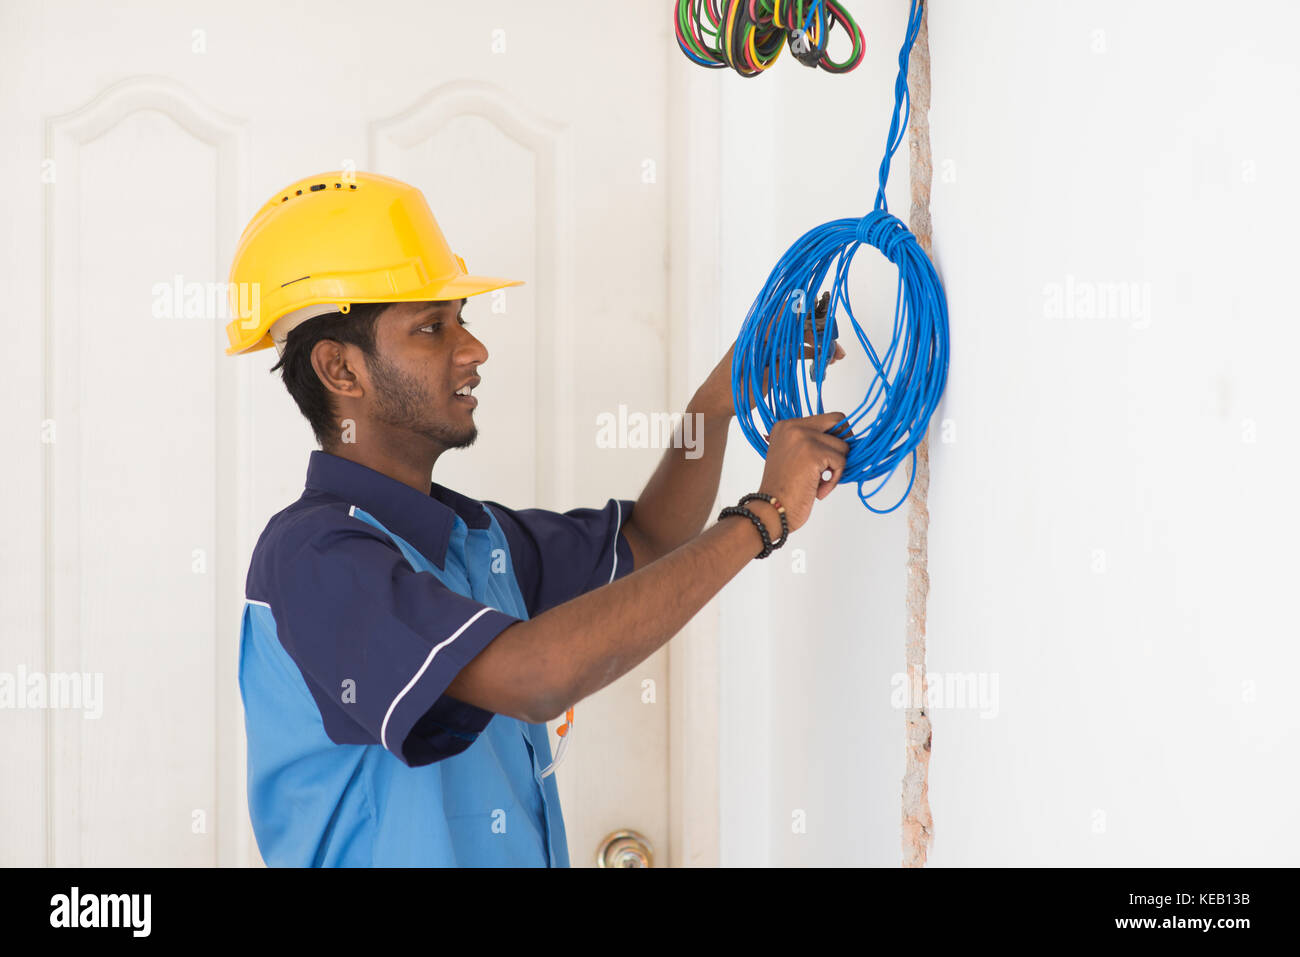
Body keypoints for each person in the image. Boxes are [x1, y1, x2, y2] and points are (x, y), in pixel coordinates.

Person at [225, 170, 849, 866]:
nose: (473, 349)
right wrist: (765, 516)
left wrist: (717, 401)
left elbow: (649, 539)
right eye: (433, 327)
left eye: (463, 319)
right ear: (341, 370)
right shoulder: (312, 558)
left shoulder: (474, 539)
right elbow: (534, 677)